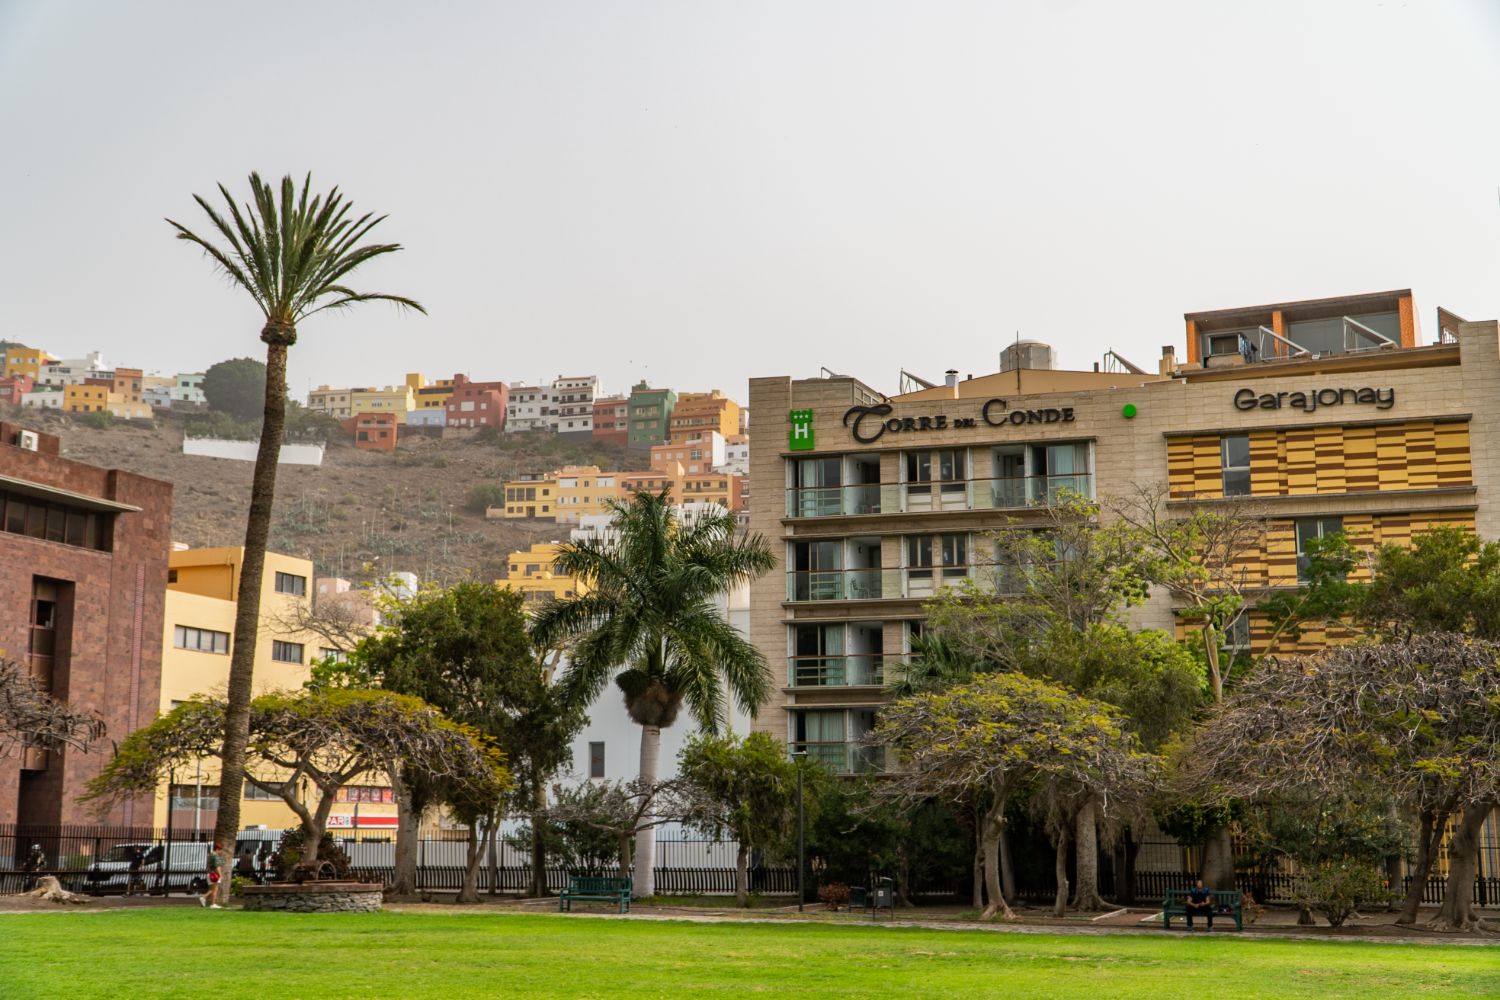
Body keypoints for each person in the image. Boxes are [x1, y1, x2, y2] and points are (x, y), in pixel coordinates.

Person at [200, 840, 224, 909]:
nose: (221, 852)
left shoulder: (210, 854)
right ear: (217, 849)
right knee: (215, 889)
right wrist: (220, 875)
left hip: (209, 874)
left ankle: (203, 897)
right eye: (220, 850)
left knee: (212, 889)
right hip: (214, 874)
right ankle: (213, 904)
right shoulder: (215, 856)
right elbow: (217, 867)